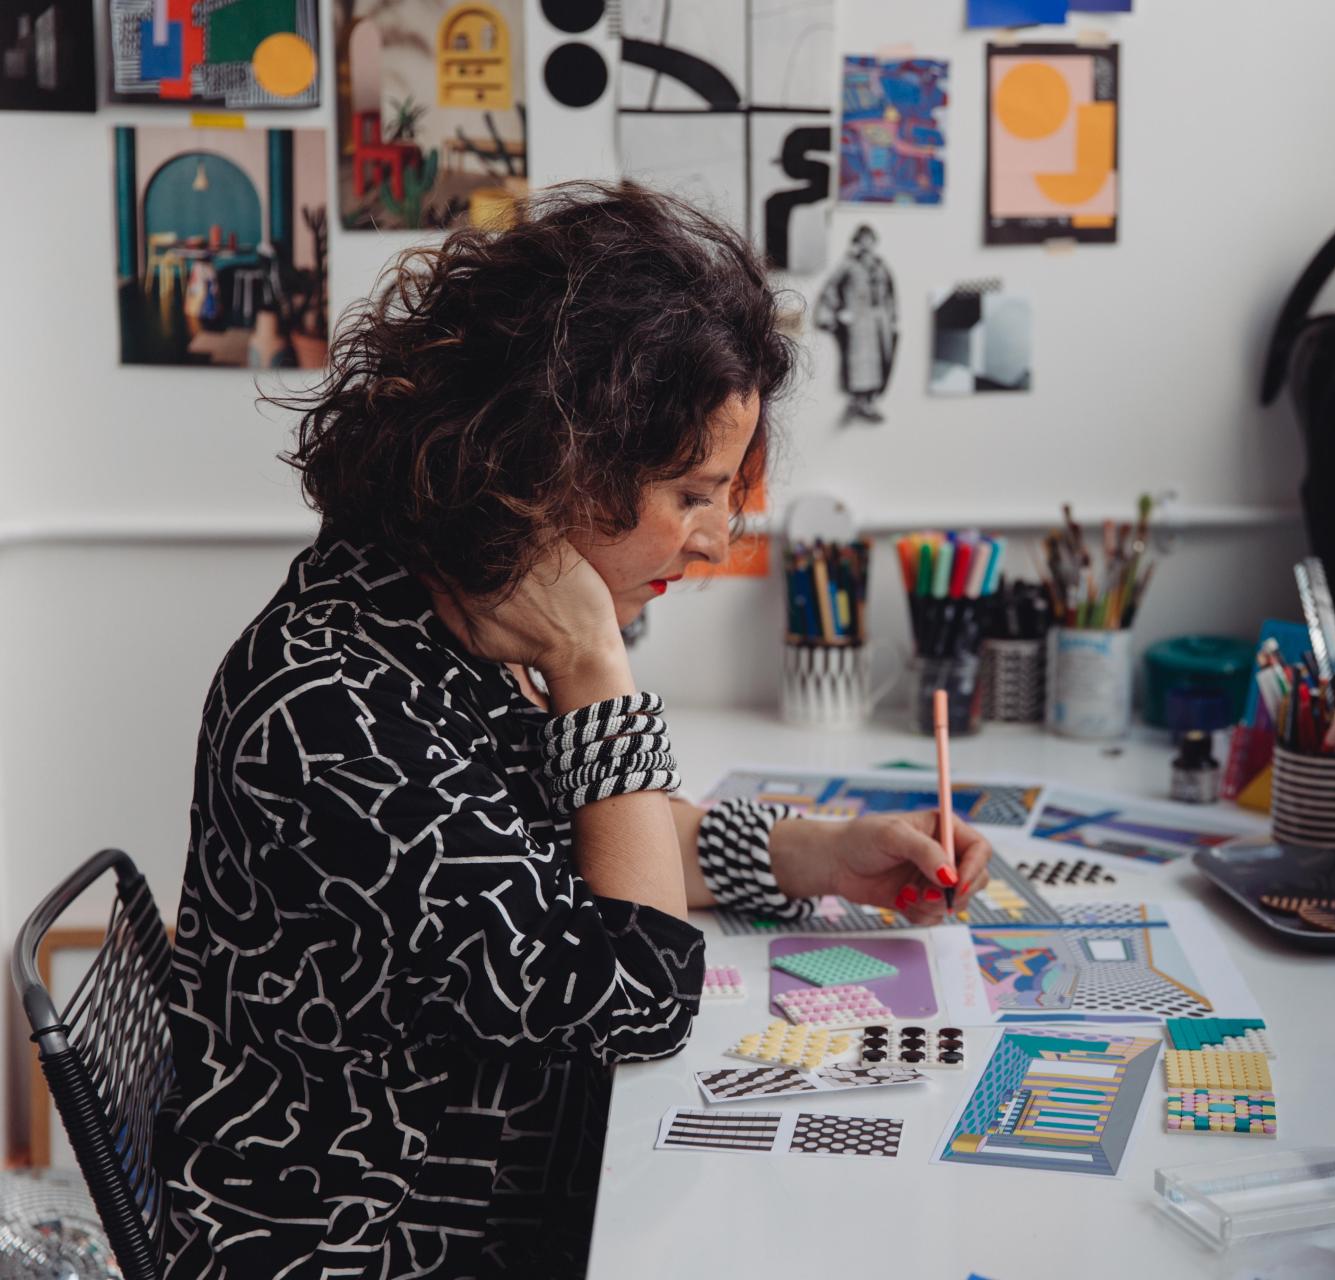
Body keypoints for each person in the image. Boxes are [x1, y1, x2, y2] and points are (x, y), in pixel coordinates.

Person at [155, 182, 995, 1280]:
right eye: (691, 492)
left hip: (488, 1192)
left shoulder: (436, 612)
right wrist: (598, 666)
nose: (716, 538)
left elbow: (571, 854)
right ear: (552, 461)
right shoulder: (332, 702)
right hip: (366, 1243)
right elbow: (636, 992)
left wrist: (815, 850)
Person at [814, 224, 898, 423]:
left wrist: (892, 317)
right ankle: (859, 401)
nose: (866, 244)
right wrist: (836, 313)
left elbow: (890, 293)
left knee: (881, 361)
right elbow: (831, 288)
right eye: (862, 239)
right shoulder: (848, 264)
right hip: (859, 321)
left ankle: (871, 400)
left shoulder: (880, 265)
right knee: (861, 362)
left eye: (870, 239)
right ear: (857, 242)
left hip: (879, 321)